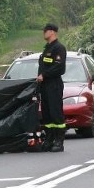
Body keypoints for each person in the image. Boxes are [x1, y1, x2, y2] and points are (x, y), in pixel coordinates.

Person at [37, 23, 67, 152]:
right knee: (47, 114)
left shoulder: (58, 48)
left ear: (52, 32)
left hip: (54, 84)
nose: (44, 33)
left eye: (45, 31)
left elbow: (59, 67)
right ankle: (49, 139)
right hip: (44, 85)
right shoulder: (47, 48)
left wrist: (45, 74)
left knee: (56, 113)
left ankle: (59, 141)